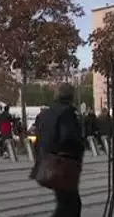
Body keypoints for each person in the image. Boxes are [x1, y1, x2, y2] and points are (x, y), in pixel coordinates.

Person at [31, 84, 84, 217]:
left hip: (48, 161)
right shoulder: (68, 113)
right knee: (71, 205)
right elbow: (69, 137)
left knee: (66, 202)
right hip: (64, 163)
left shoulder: (46, 113)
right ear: (71, 96)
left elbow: (39, 138)